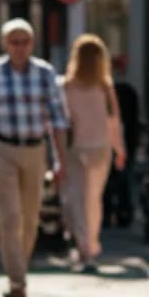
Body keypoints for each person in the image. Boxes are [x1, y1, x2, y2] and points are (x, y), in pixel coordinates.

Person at [0, 18, 69, 297]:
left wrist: (60, 161)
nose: (19, 47)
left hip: (35, 149)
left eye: (24, 41)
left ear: (32, 43)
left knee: (30, 219)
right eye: (14, 41)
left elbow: (58, 119)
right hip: (1, 147)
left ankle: (19, 270)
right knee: (10, 217)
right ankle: (18, 281)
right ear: (5, 44)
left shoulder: (44, 73)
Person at [62, 33, 126, 271]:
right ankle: (89, 246)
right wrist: (120, 149)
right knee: (92, 200)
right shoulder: (104, 86)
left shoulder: (67, 86)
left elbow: (61, 122)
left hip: (77, 148)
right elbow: (114, 121)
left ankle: (84, 249)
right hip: (100, 148)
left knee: (76, 200)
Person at [107, 57, 141, 227]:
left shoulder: (126, 92)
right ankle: (120, 213)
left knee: (120, 179)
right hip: (121, 141)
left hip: (123, 140)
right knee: (120, 179)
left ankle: (118, 213)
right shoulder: (126, 91)